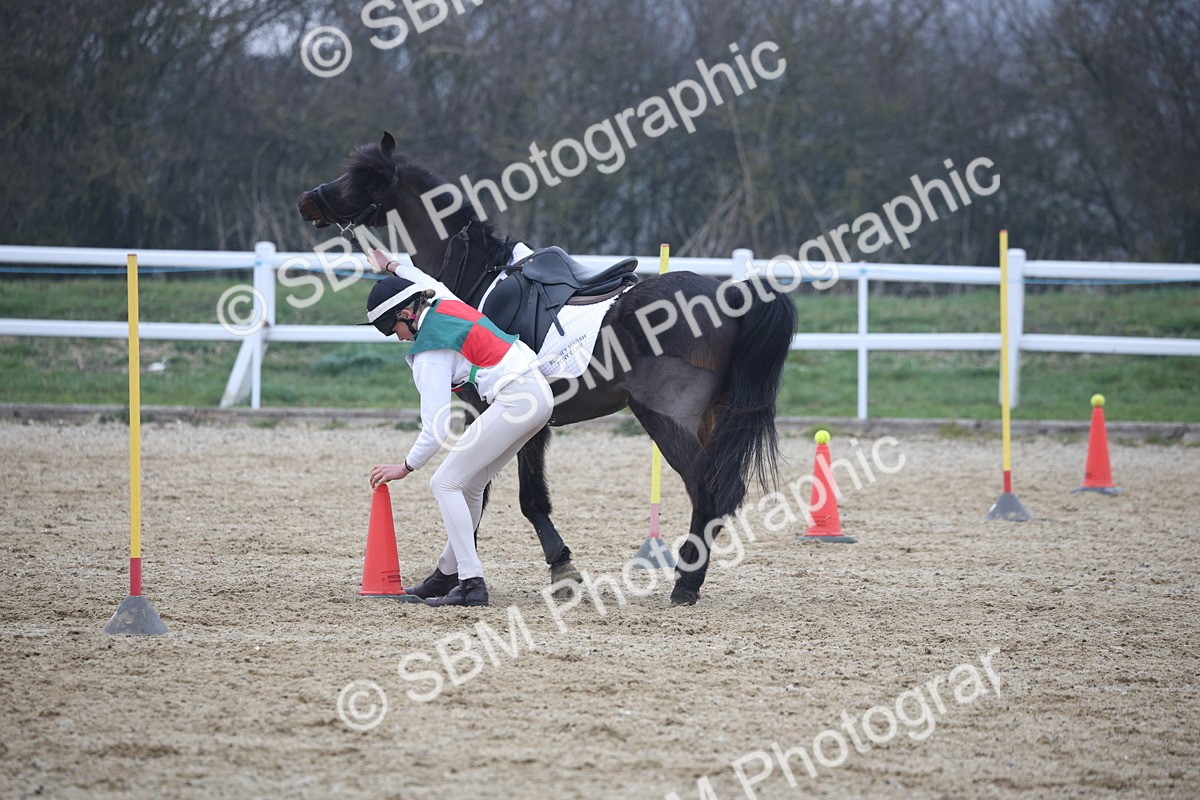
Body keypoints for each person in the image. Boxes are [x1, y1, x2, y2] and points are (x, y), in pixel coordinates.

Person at [363, 249, 553, 607]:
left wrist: (404, 466)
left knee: (443, 482)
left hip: (515, 399)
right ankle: (448, 574)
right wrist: (391, 265)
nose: (397, 337)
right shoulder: (442, 301)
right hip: (537, 393)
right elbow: (423, 279)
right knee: (472, 483)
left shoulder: (428, 352)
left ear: (406, 314)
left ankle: (470, 584)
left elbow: (435, 429)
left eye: (392, 329)